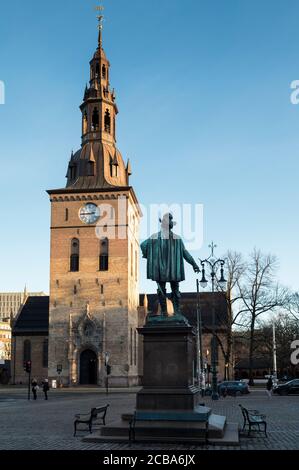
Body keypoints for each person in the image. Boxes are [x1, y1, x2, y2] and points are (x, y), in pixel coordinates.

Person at [141, 213, 200, 318]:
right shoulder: (177, 239)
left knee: (162, 290)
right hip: (173, 269)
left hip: (160, 269)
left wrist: (150, 256)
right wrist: (194, 264)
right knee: (174, 289)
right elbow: (185, 253)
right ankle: (176, 312)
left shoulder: (155, 237)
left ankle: (165, 312)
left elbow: (143, 245)